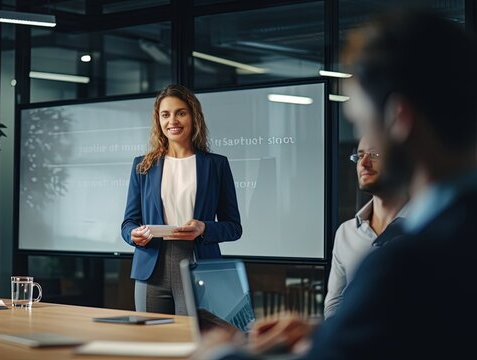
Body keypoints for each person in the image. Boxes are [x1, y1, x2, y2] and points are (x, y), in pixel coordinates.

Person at [194, 9, 477, 360]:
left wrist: (224, 352)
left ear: (398, 118)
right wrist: (326, 331)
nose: (362, 149)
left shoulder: (407, 262)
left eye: (362, 123)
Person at [121, 84, 242, 315]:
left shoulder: (216, 165)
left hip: (198, 266)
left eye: (181, 113)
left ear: (193, 117)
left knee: (193, 344)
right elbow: (128, 223)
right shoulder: (142, 166)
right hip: (150, 270)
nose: (172, 121)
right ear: (158, 121)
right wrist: (133, 235)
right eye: (165, 114)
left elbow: (234, 227)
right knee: (152, 343)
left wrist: (203, 227)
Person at [323, 135, 407, 318]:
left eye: (375, 154)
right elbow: (334, 304)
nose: (364, 163)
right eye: (360, 156)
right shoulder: (346, 233)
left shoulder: (425, 227)